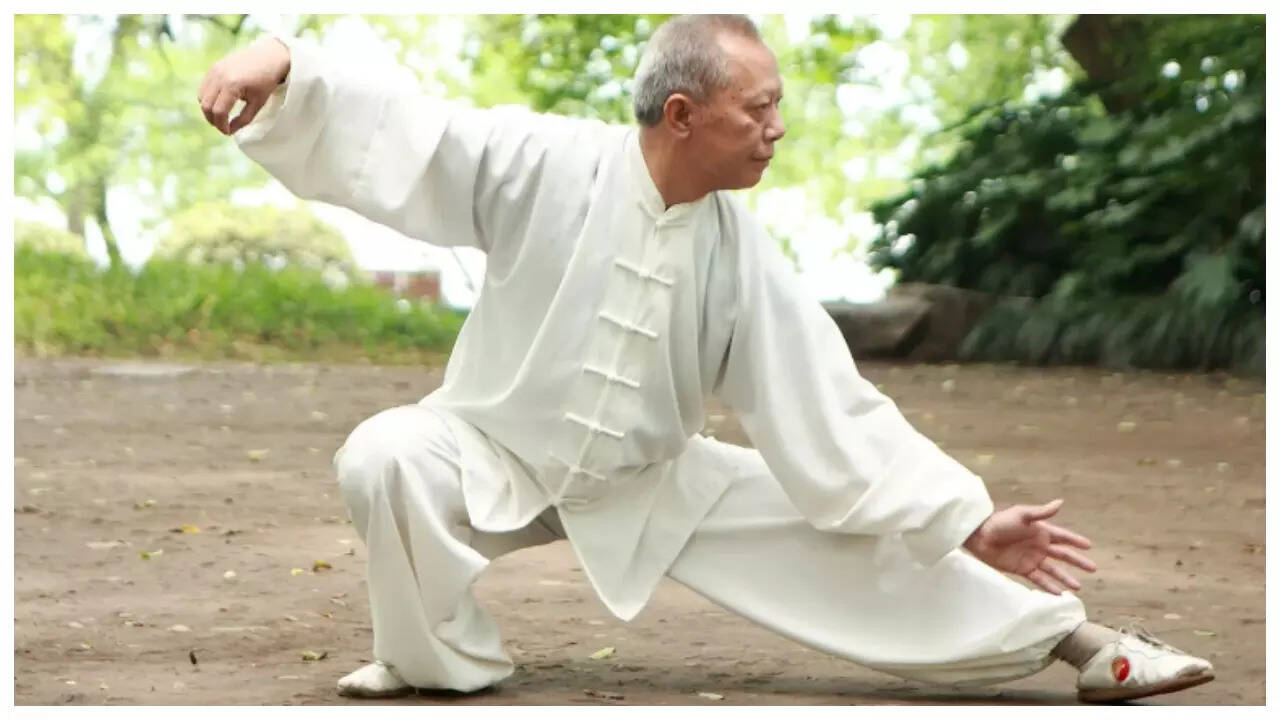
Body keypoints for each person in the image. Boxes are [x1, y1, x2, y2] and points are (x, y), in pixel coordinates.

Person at [198, 14, 1214, 704]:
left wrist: (967, 518)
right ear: (682, 116)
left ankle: (1082, 645)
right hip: (490, 450)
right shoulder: (544, 162)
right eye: (757, 110)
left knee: (849, 533)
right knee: (384, 454)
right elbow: (409, 136)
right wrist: (283, 60)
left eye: (775, 108)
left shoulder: (739, 250)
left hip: (653, 479)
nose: (776, 130)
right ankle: (434, 664)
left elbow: (831, 407)